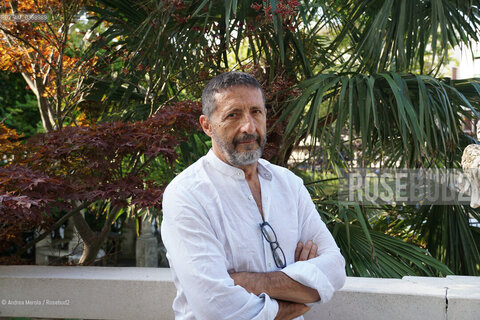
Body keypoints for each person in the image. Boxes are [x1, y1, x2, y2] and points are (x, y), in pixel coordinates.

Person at [161, 71, 346, 320]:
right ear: (207, 125)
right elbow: (215, 306)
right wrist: (294, 298)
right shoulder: (186, 195)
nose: (248, 127)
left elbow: (334, 269)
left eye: (256, 112)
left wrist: (245, 281)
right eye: (233, 115)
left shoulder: (289, 184)